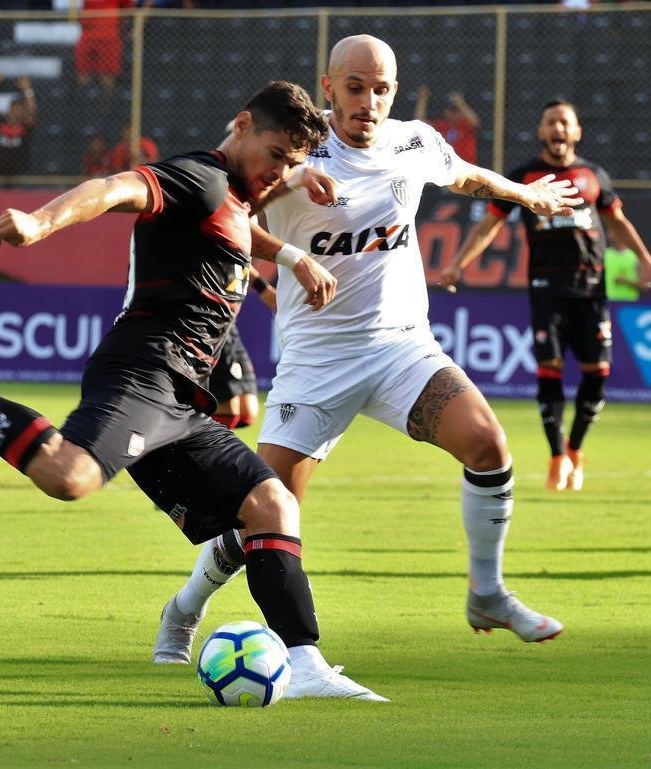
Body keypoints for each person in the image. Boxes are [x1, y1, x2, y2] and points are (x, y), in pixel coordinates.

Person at [0, 80, 384, 701]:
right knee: (69, 477)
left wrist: (291, 255)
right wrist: (41, 221)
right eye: (276, 155)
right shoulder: (199, 178)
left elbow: (237, 224)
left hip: (182, 399)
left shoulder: (232, 197)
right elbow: (113, 188)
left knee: (272, 505)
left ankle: (304, 663)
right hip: (141, 372)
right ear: (241, 127)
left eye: (292, 162)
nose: (279, 173)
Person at [153, 35, 578, 668]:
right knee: (263, 518)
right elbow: (228, 207)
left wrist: (527, 195)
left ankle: (487, 593)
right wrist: (288, 233)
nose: (368, 102)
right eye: (355, 88)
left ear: (394, 92)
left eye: (381, 89)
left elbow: (464, 176)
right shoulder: (294, 149)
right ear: (328, 89)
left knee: (489, 446)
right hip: (316, 363)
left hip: (402, 349)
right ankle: (184, 608)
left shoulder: (414, 141)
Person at [440, 100, 651, 491]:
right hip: (547, 289)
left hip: (591, 289)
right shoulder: (525, 177)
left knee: (598, 373)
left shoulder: (593, 176)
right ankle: (557, 457)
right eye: (550, 122)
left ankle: (575, 449)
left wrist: (646, 260)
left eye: (565, 122)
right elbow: (490, 225)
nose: (557, 128)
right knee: (550, 370)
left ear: (576, 131)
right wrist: (458, 262)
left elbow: (617, 222)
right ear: (541, 131)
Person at [208, 267, 275, 430]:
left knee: (247, 412)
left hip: (227, 320)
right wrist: (293, 260)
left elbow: (239, 258)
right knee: (228, 412)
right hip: (207, 317)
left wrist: (263, 288)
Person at [75, 0, 134, 105]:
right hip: (87, 35)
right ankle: (83, 106)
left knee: (107, 73)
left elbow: (128, 11)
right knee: (83, 71)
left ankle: (106, 107)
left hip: (109, 36)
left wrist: (126, 29)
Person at [0, 74, 37, 181]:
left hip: (21, 171)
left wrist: (27, 90)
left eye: (20, 110)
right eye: (15, 109)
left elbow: (32, 111)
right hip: (0, 170)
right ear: (10, 109)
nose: (17, 112)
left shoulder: (25, 126)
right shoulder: (1, 121)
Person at [414, 86, 481, 165]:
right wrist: (422, 100)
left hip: (466, 164)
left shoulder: (466, 125)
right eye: (451, 110)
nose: (454, 114)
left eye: (457, 111)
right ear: (445, 112)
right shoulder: (441, 125)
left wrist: (461, 103)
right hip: (447, 165)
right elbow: (419, 123)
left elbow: (476, 122)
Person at [603, 230, 644, 302]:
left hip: (629, 304)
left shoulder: (635, 256)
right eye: (610, 231)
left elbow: (644, 285)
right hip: (607, 303)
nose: (611, 234)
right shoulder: (603, 254)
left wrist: (626, 281)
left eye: (614, 230)